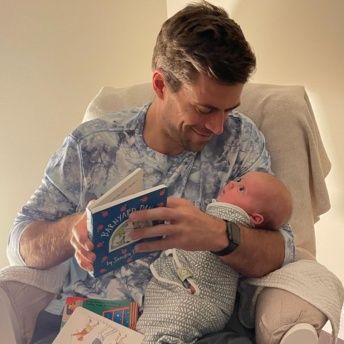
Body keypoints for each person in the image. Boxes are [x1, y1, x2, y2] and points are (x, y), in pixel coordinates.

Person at [7, 2, 296, 343]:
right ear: (160, 84)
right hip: (88, 326)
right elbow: (21, 244)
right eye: (205, 109)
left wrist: (219, 235)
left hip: (194, 329)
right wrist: (73, 229)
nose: (218, 126)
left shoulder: (240, 140)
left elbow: (281, 250)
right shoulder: (92, 145)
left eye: (228, 110)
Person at [137, 171, 292, 343]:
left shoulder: (232, 216)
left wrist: (219, 232)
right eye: (238, 180)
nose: (232, 183)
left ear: (255, 218)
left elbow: (285, 246)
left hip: (197, 298)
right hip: (198, 300)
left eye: (241, 189)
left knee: (165, 325)